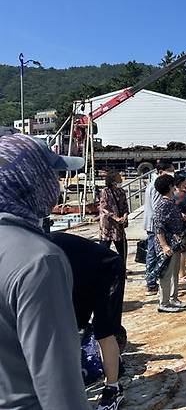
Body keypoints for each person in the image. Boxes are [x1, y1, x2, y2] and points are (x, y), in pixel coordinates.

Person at [0, 133, 90, 409]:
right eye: (52, 174)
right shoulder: (39, 260)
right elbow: (59, 388)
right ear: (31, 179)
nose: (57, 183)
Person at [49, 232, 126, 410]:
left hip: (107, 269)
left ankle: (113, 388)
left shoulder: (34, 254)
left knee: (104, 332)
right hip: (78, 276)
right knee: (73, 328)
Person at [153, 174, 186, 313]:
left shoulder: (170, 202)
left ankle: (173, 298)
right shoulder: (163, 204)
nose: (175, 187)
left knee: (174, 272)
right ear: (169, 187)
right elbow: (159, 227)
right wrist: (164, 246)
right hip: (168, 245)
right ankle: (164, 302)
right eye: (173, 185)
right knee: (166, 274)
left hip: (175, 243)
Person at [143, 161, 175, 295]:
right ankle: (151, 282)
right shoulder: (158, 186)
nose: (173, 173)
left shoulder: (153, 184)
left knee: (152, 253)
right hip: (155, 226)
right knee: (154, 254)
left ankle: (152, 281)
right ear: (161, 171)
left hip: (152, 224)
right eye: (170, 170)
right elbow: (159, 210)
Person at [99, 170, 129, 267]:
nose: (121, 179)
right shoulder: (105, 191)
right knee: (104, 248)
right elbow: (104, 207)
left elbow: (125, 206)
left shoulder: (121, 192)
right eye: (118, 177)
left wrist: (125, 216)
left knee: (122, 249)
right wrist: (115, 218)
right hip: (108, 225)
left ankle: (122, 268)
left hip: (119, 226)